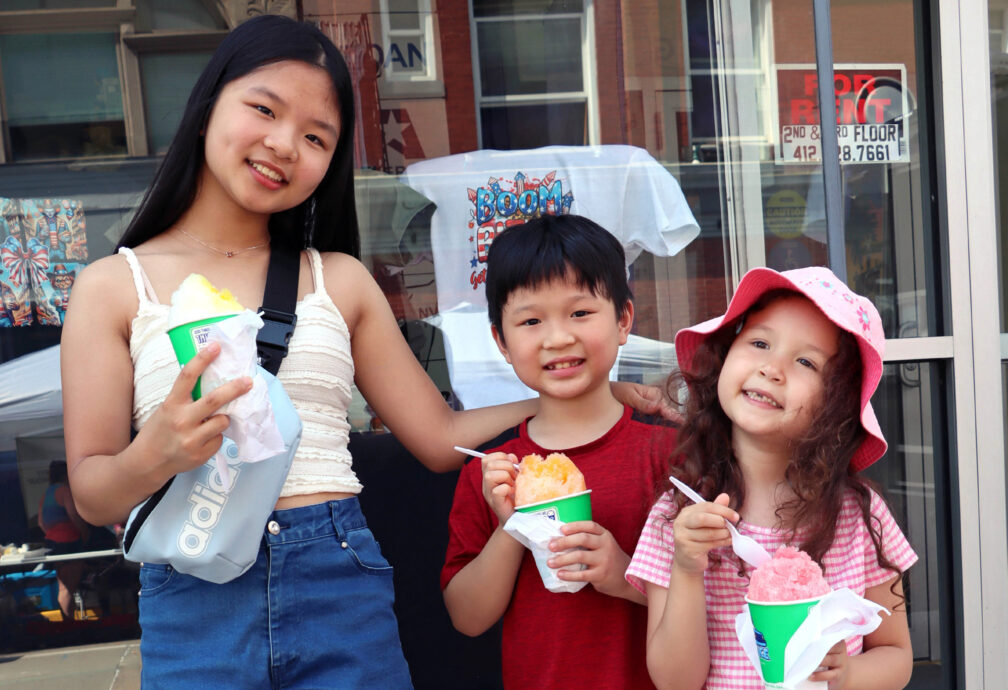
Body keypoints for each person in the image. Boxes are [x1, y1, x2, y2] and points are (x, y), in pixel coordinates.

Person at [60, 15, 661, 688]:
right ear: (207, 106)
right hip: (193, 594)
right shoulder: (112, 286)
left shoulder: (338, 280)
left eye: (316, 137)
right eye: (264, 109)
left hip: (336, 582)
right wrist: (156, 453)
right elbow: (92, 493)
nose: (284, 145)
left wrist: (583, 397)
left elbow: (439, 437)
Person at [626, 266, 918, 689]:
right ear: (724, 357)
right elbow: (675, 682)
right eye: (760, 343)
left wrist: (847, 674)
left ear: (836, 404)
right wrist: (687, 568)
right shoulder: (679, 516)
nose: (772, 368)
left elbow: (897, 655)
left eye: (805, 361)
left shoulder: (860, 516)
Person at [441, 214, 677, 690]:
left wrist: (624, 574)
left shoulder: (668, 456)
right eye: (531, 321)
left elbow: (717, 598)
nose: (557, 338)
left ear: (623, 320)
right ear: (501, 341)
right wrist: (512, 526)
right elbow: (467, 617)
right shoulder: (491, 474)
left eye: (580, 313)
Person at [37, 460, 89, 620]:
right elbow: (74, 516)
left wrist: (53, 535)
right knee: (68, 588)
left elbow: (41, 522)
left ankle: (69, 622)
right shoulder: (65, 491)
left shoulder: (46, 493)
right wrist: (85, 533)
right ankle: (69, 625)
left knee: (64, 587)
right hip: (69, 542)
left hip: (52, 543)